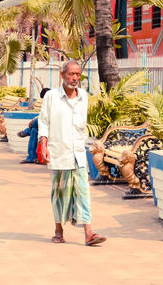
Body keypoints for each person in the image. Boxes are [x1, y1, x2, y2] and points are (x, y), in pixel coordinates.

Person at [39, 61, 106, 246]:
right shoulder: (52, 97)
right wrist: (43, 145)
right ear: (62, 75)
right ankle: (58, 230)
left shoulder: (83, 96)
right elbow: (43, 122)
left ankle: (89, 233)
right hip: (59, 151)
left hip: (78, 152)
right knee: (59, 193)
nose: (75, 78)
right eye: (71, 74)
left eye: (78, 74)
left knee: (83, 191)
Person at [17, 88, 50, 164]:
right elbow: (42, 115)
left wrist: (35, 120)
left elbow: (46, 117)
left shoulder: (56, 103)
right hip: (44, 124)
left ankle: (26, 131)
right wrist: (34, 119)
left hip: (52, 126)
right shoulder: (47, 104)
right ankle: (31, 157)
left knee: (35, 124)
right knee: (34, 130)